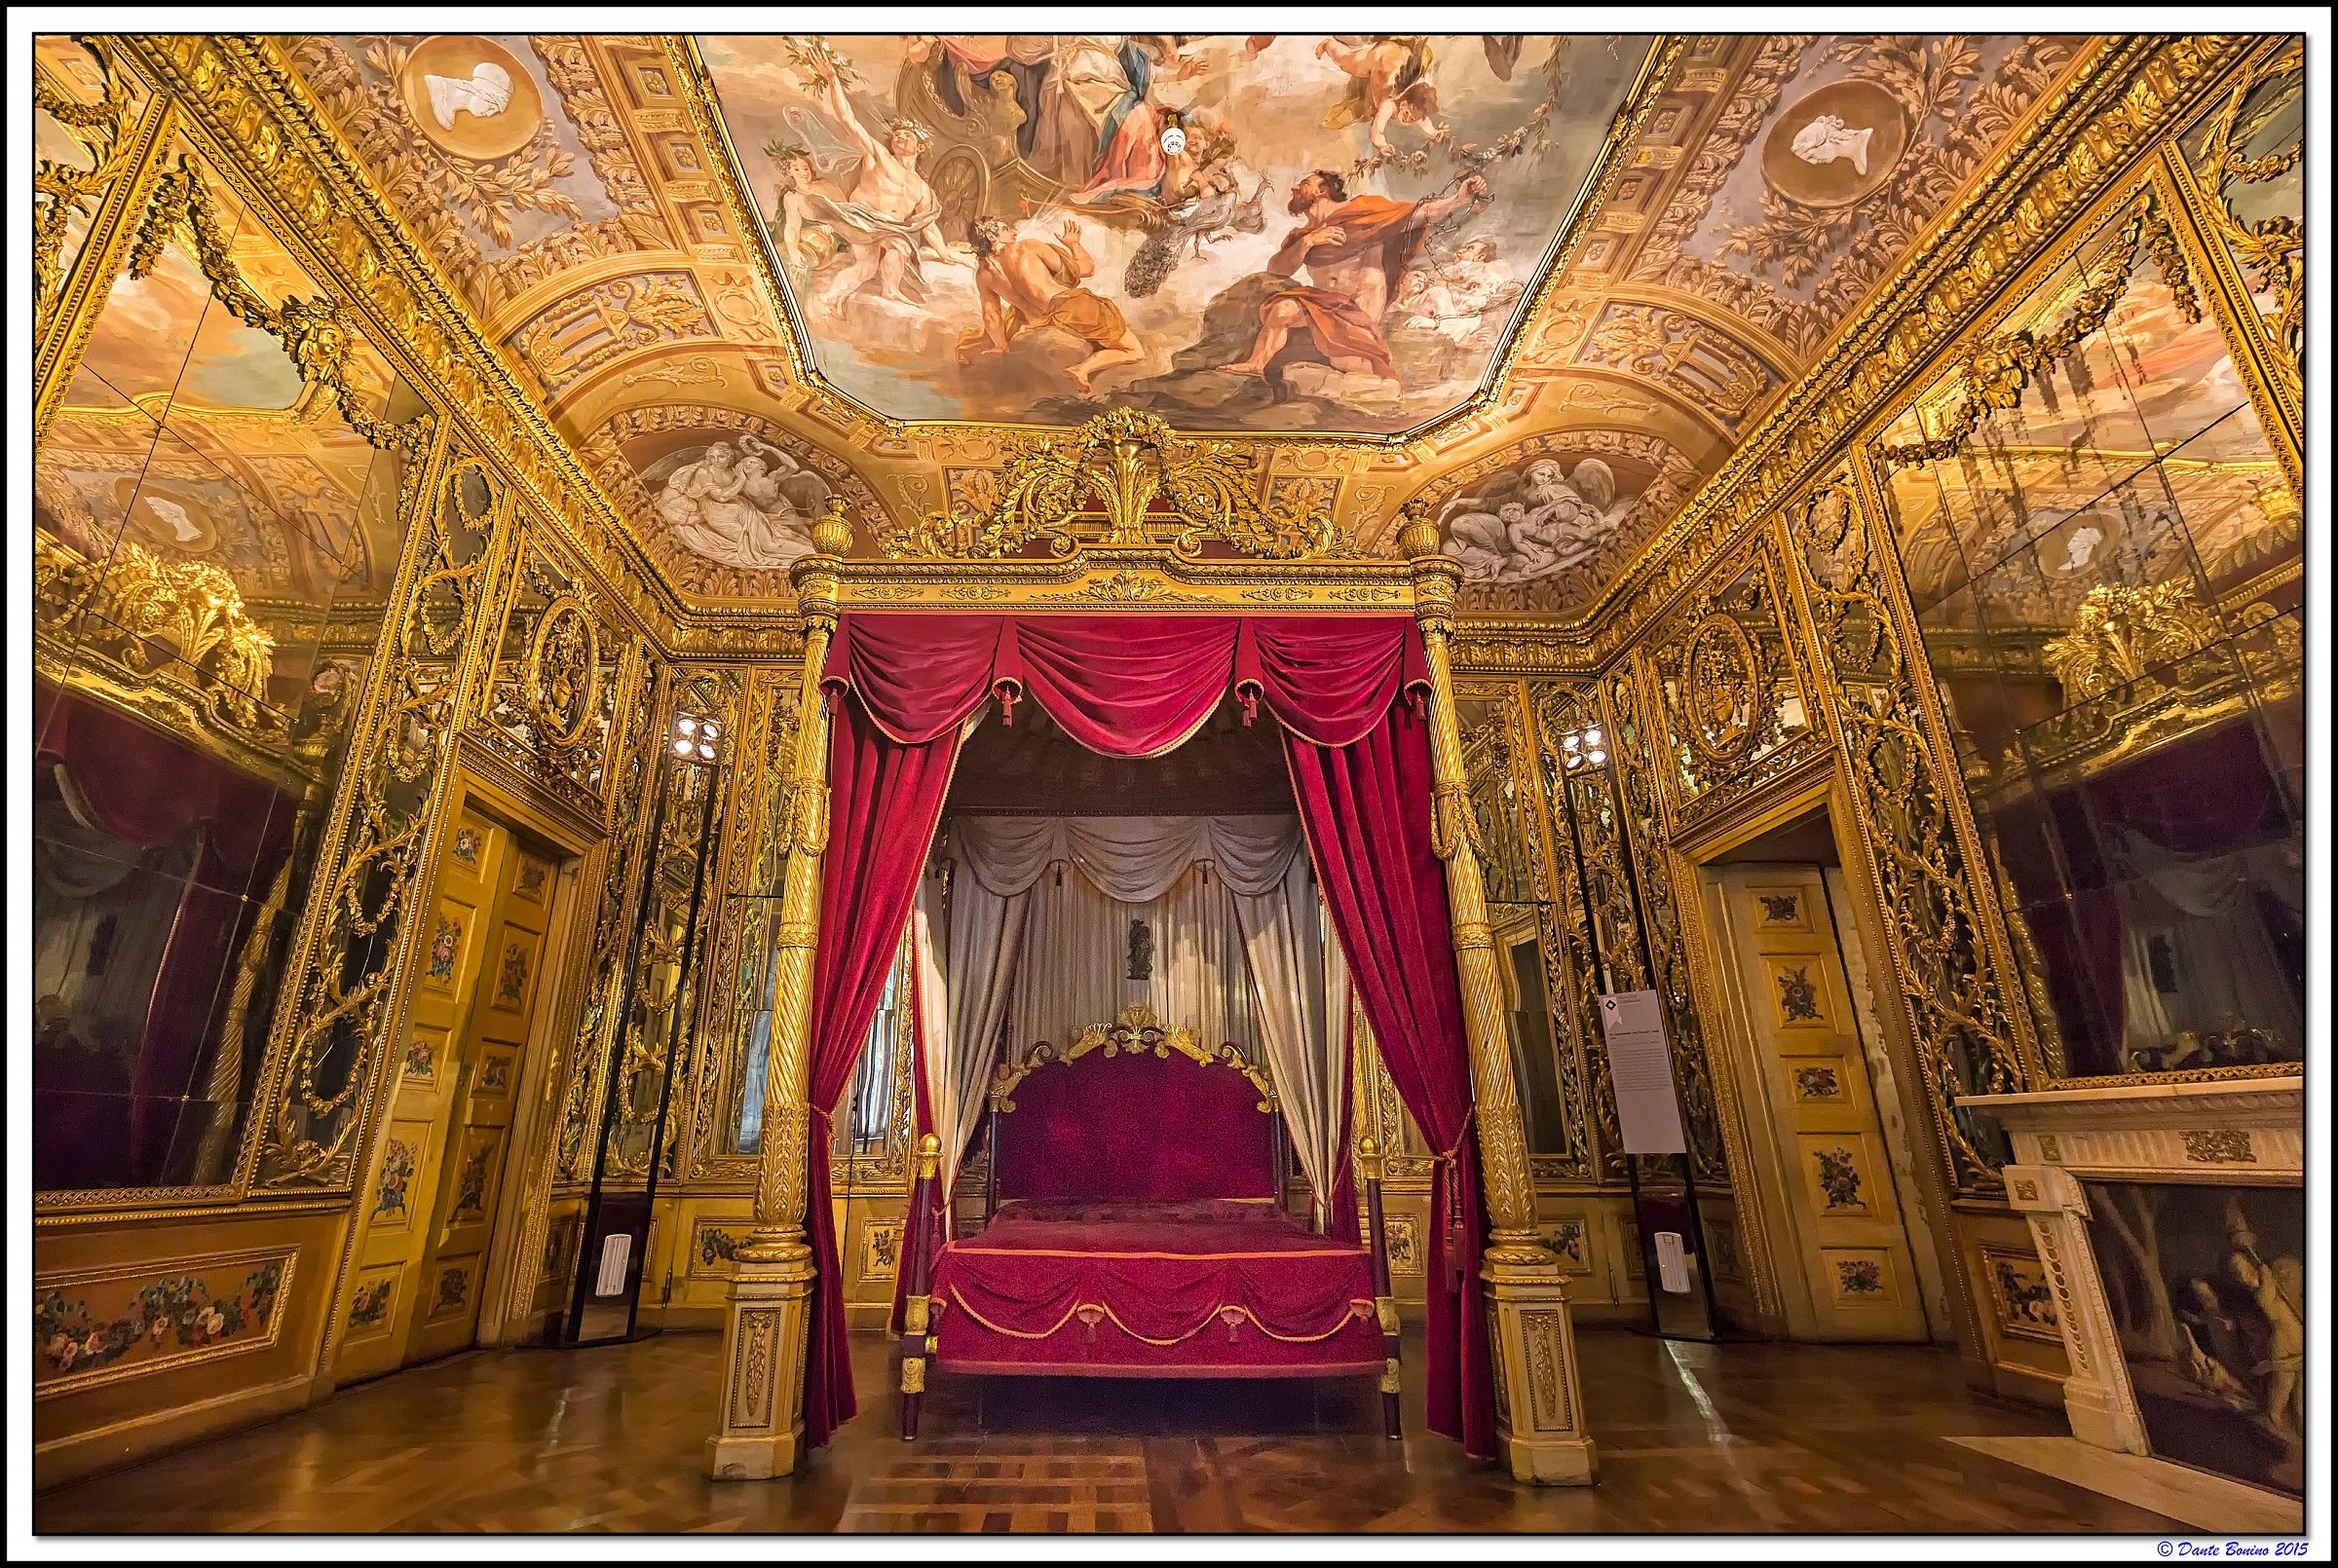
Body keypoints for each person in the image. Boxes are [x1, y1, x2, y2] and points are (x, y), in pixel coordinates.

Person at [1220, 168, 1489, 385]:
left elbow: (1418, 215)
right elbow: (1277, 270)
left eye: (1303, 184)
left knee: (1351, 366)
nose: (1294, 188)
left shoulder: (1364, 211)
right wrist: (1309, 242)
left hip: (1358, 305)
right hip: (1323, 303)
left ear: (1322, 190)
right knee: (1281, 309)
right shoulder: (1300, 237)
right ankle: (1256, 365)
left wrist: (1458, 200)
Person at [804, 63, 963, 317]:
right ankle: (875, 291)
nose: (899, 138)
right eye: (897, 135)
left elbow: (927, 225)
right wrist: (833, 78)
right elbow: (849, 121)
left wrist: (944, 254)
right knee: (898, 245)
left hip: (889, 228)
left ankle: (834, 297)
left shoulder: (922, 188)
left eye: (907, 136)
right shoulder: (878, 156)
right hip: (863, 219)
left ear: (920, 148)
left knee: (870, 266)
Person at [956, 216, 1146, 393]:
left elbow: (991, 316)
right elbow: (1087, 269)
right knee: (1135, 351)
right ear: (991, 236)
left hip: (1041, 321)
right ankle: (1082, 369)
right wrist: (1074, 245)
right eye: (1005, 229)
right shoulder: (1026, 247)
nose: (1013, 232)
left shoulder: (983, 275)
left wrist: (1001, 345)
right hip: (1070, 308)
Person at [1316, 37, 1447, 157]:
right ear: (1403, 103)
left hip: (1399, 58)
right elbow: (1377, 129)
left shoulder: (1414, 110)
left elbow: (1424, 122)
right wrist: (1382, 145)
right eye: (1407, 113)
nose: (1408, 119)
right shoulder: (1389, 105)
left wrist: (1434, 133)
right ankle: (1328, 44)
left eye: (1412, 119)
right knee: (1345, 61)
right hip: (1381, 58)